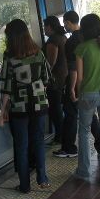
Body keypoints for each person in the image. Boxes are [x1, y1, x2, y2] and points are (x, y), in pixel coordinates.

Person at [0, 19, 50, 193]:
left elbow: (6, 86)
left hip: (19, 107)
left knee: (21, 145)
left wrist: (3, 109)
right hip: (39, 104)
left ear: (11, 37)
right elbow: (47, 78)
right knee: (38, 142)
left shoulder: (10, 56)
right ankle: (42, 179)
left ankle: (24, 185)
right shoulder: (38, 52)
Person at [74, 14, 100, 186]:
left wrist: (78, 95)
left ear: (84, 29)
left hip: (88, 95)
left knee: (83, 132)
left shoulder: (82, 48)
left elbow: (80, 78)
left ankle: (84, 172)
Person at [53, 11, 100, 158]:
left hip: (77, 83)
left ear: (67, 22)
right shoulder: (91, 39)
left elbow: (73, 68)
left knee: (71, 115)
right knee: (89, 115)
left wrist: (72, 88)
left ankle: (69, 148)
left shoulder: (73, 41)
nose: (64, 26)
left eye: (65, 23)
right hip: (91, 82)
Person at [43, 16, 68, 144]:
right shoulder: (63, 37)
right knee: (59, 108)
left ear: (50, 27)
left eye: (44, 26)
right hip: (63, 77)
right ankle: (61, 135)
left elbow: (50, 62)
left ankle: (59, 136)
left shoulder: (53, 40)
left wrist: (44, 78)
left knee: (55, 108)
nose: (44, 29)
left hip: (55, 80)